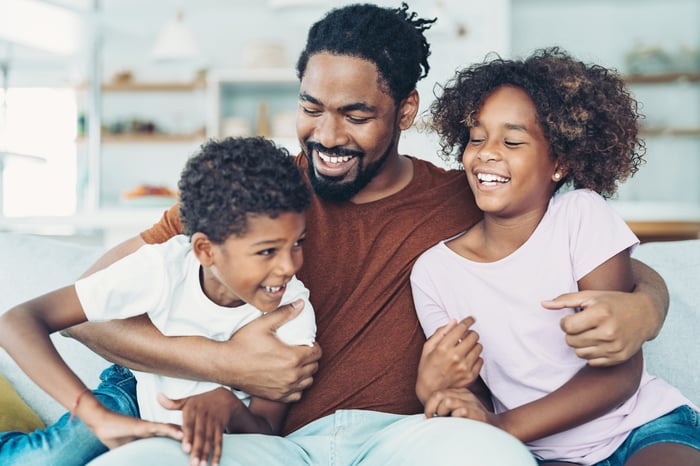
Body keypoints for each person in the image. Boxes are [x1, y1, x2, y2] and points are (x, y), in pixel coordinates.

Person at [61, 4, 668, 466]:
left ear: (405, 111)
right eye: (311, 107)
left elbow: (587, 248)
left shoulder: (468, 193)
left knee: (493, 458)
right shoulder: (251, 194)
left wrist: (646, 308)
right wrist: (227, 365)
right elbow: (85, 310)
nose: (326, 135)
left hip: (406, 440)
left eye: (355, 115)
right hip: (277, 444)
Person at [410, 48, 700, 465]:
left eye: (512, 141)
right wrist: (438, 390)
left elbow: (619, 371)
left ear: (559, 163)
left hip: (641, 427)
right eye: (476, 137)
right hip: (541, 451)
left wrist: (502, 427)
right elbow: (471, 397)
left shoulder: (581, 215)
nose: (487, 152)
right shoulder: (434, 273)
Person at [0, 136, 317, 466]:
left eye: (298, 243)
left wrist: (230, 406)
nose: (290, 266)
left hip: (204, 439)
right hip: (135, 394)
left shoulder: (292, 312)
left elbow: (267, 437)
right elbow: (18, 321)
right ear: (205, 250)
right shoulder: (162, 268)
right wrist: (93, 414)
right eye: (267, 251)